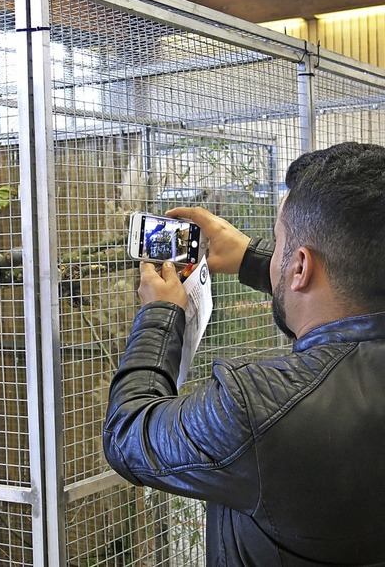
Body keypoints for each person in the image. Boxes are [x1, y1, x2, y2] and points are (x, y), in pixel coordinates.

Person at [103, 142, 385, 566]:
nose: (275, 252)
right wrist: (254, 258)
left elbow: (128, 435)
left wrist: (160, 314)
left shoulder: (261, 407)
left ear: (301, 267)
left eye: (279, 240)